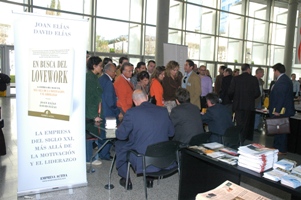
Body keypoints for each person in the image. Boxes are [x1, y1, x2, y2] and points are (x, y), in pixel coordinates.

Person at [115, 89, 174, 190]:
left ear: (134, 101)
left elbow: (121, 136)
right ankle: (150, 179)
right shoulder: (163, 111)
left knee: (119, 144)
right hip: (163, 156)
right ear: (147, 97)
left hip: (142, 158)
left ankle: (126, 179)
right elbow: (171, 133)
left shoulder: (132, 113)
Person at [228, 64, 260, 144]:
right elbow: (257, 93)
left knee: (239, 122)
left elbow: (230, 92)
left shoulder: (236, 79)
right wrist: (251, 98)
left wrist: (234, 98)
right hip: (249, 105)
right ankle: (242, 139)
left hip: (238, 104)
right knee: (246, 124)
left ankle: (238, 138)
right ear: (249, 69)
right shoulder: (253, 79)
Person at [98, 63, 122, 161]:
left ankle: (102, 153)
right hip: (110, 114)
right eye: (114, 71)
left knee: (103, 135)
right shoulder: (108, 82)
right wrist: (117, 111)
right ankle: (105, 155)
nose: (115, 74)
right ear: (108, 71)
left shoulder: (100, 79)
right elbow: (110, 101)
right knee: (110, 135)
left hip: (102, 112)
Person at [269, 63, 295, 154]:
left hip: (282, 110)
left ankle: (281, 149)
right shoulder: (284, 79)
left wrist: (277, 110)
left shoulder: (283, 81)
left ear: (277, 71)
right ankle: (277, 146)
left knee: (281, 130)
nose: (274, 73)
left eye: (274, 71)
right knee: (277, 129)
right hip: (281, 109)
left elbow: (281, 97)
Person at [85, 56, 103, 166]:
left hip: (93, 111)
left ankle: (90, 157)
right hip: (89, 113)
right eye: (100, 66)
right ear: (94, 66)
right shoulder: (89, 78)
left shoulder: (94, 77)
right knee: (89, 137)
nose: (102, 68)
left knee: (91, 137)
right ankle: (88, 158)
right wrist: (93, 115)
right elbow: (89, 99)